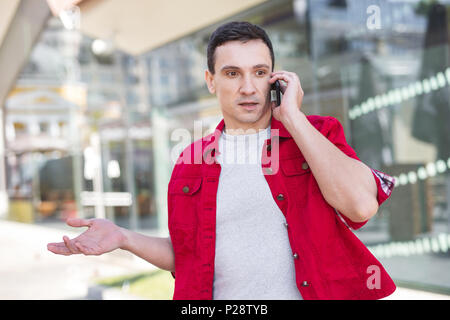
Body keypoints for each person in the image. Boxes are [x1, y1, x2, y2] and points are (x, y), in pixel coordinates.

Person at [48, 21, 396, 300]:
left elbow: (361, 205)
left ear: (275, 77)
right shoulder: (190, 161)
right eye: (232, 74)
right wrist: (123, 237)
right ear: (211, 81)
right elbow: (190, 256)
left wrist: (293, 118)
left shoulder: (316, 133)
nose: (248, 87)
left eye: (260, 72)